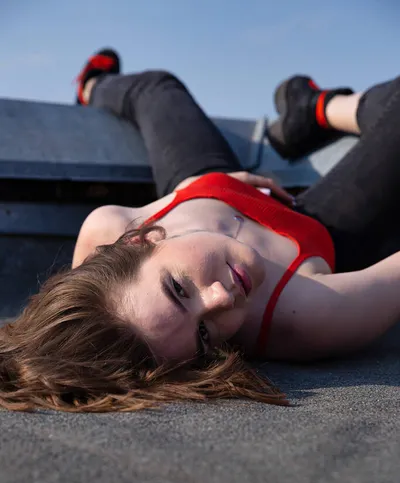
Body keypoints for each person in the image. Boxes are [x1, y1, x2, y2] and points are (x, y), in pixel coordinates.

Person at [0, 48, 399, 413]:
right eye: (205, 336)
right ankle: (317, 107)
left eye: (178, 288)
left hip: (205, 185)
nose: (222, 298)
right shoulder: (311, 316)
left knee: (158, 86)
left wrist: (213, 189)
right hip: (319, 224)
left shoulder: (108, 226)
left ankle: (91, 86)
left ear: (139, 239)